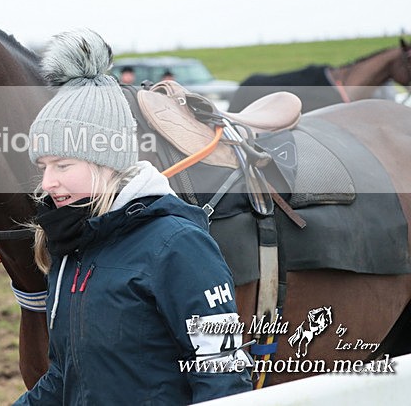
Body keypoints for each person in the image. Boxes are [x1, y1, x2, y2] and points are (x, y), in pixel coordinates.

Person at [16, 29, 252, 405]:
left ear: (108, 163)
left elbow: (223, 374)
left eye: (62, 164)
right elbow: (64, 378)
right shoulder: (69, 250)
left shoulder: (179, 246)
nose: (47, 182)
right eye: (44, 166)